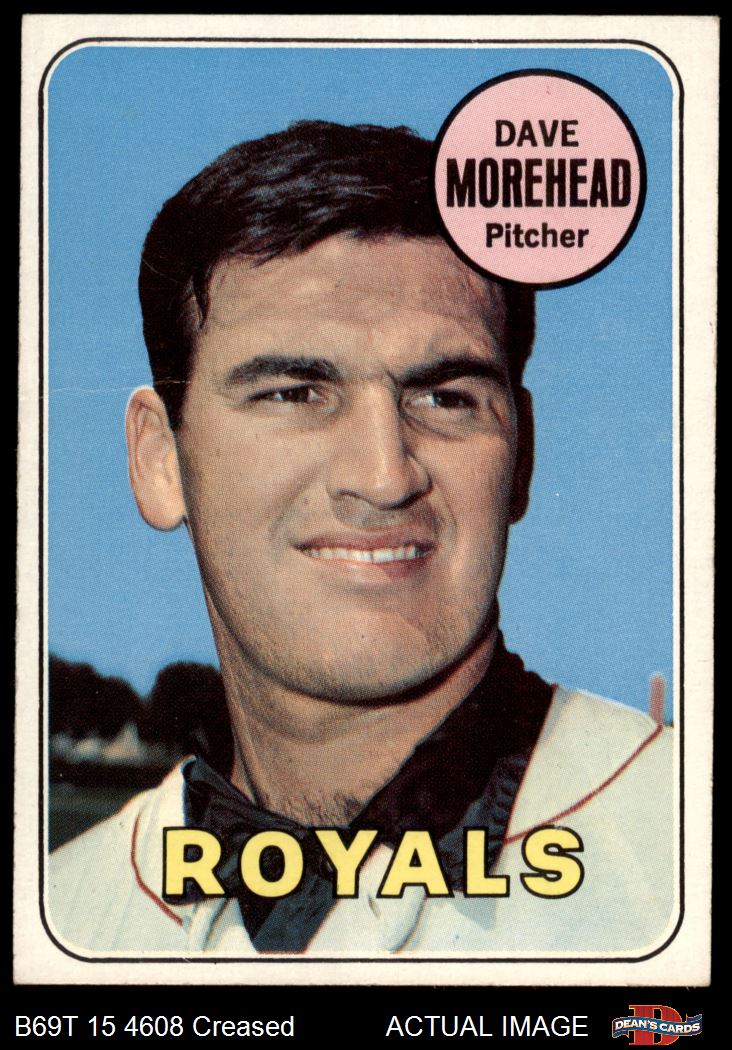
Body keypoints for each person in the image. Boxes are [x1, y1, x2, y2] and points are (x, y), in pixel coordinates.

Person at [48, 121, 674, 956]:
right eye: (293, 393)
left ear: (522, 456)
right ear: (161, 460)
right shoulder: (64, 914)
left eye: (446, 398)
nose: (383, 476)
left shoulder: (676, 842)